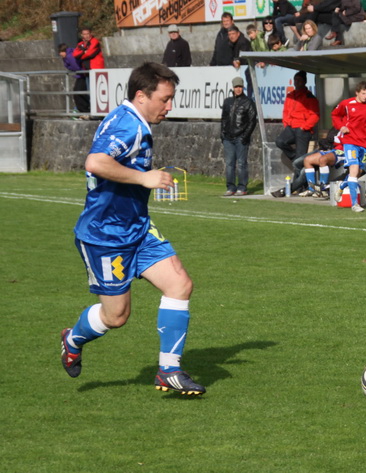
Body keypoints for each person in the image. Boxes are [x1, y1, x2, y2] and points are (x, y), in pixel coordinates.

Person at [60, 62, 206, 396]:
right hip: (106, 235)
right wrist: (144, 178)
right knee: (116, 317)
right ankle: (73, 339)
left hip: (137, 228)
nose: (169, 106)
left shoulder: (132, 121)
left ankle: (169, 370)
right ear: (141, 96)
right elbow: (96, 162)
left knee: (180, 284)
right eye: (164, 99)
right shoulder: (128, 126)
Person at [332, 80, 366, 212]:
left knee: (358, 172)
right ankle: (355, 204)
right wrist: (341, 127)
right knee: (354, 169)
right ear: (357, 93)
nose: (365, 96)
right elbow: (335, 115)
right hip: (350, 141)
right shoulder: (347, 104)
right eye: (363, 93)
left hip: (364, 142)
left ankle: (342, 186)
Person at [221, 77, 257, 196]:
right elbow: (224, 119)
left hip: (241, 137)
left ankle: (242, 187)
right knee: (229, 164)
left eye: (240, 87)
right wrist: (223, 134)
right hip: (228, 138)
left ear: (243, 87)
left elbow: (252, 121)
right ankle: (231, 187)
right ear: (233, 88)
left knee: (241, 163)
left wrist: (245, 136)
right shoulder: (227, 102)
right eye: (236, 87)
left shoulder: (248, 102)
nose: (238, 89)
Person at [275, 70, 320, 165]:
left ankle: (299, 168)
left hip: (303, 130)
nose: (296, 82)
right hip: (291, 127)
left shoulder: (309, 97)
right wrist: (286, 124)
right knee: (280, 141)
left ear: (304, 82)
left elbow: (315, 115)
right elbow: (285, 111)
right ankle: (295, 158)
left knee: (300, 155)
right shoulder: (290, 95)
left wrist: (304, 127)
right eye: (295, 80)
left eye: (299, 80)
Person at [58, 43, 90, 114]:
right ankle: (83, 109)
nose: (60, 54)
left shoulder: (69, 56)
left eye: (61, 52)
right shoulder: (67, 56)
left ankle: (84, 110)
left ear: (65, 51)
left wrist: (70, 67)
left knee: (78, 92)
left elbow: (76, 67)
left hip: (82, 75)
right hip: (81, 75)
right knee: (78, 92)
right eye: (59, 52)